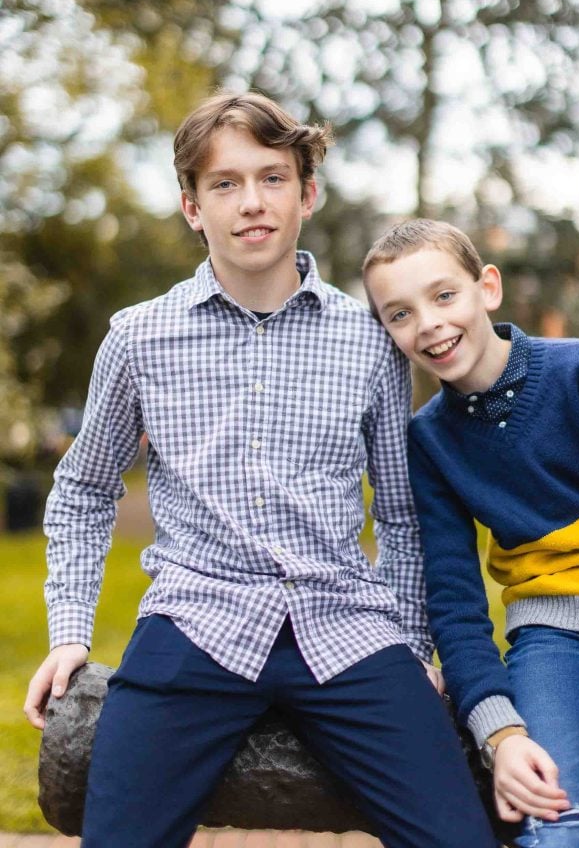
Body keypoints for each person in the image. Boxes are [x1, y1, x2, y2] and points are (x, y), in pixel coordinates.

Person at [24, 95, 497, 848]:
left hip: (345, 624)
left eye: (272, 178)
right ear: (190, 205)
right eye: (224, 183)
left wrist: (409, 647)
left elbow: (403, 516)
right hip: (194, 621)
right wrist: (69, 632)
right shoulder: (139, 338)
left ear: (306, 194)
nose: (251, 203)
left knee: (457, 838)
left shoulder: (368, 341)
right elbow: (83, 490)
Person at [362, 217, 579, 848]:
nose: (427, 323)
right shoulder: (428, 441)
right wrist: (501, 734)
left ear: (488, 287)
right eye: (398, 314)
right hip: (552, 640)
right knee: (556, 822)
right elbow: (453, 604)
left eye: (443, 295)